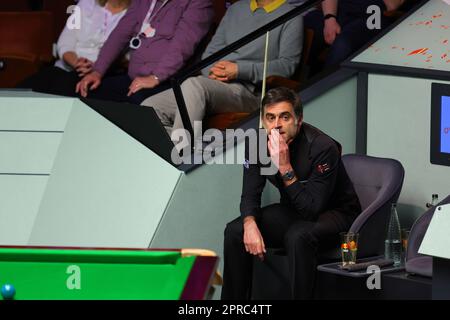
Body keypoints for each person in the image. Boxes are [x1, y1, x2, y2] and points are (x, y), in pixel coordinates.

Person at [222, 87, 361, 299]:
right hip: (293, 209)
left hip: (336, 212)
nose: (276, 125)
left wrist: (285, 167)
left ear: (299, 119)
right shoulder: (257, 143)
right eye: (270, 118)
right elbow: (250, 194)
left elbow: (311, 209)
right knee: (235, 230)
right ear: (263, 121)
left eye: (284, 117)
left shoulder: (323, 147)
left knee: (297, 236)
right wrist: (249, 224)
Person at [141, 0, 303, 140]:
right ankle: (180, 152)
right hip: (214, 84)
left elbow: (287, 65)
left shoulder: (291, 15)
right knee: (150, 106)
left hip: (250, 92)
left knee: (194, 85)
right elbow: (209, 55)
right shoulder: (236, 9)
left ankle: (182, 158)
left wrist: (239, 70)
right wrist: (215, 71)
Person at [76, 0, 214, 104]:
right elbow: (120, 34)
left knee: (136, 102)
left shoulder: (198, 3)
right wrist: (97, 71)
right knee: (92, 91)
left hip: (167, 82)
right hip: (135, 78)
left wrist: (156, 77)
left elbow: (181, 48)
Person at [19, 0, 130, 96]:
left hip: (102, 75)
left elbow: (130, 56)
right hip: (67, 67)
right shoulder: (86, 3)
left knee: (61, 89)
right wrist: (77, 62)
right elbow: (65, 42)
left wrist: (98, 66)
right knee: (23, 91)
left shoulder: (137, 12)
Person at [305, 0, 405, 68]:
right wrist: (330, 18)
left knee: (343, 43)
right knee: (300, 23)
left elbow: (392, 5)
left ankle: (322, 90)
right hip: (340, 11)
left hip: (373, 17)